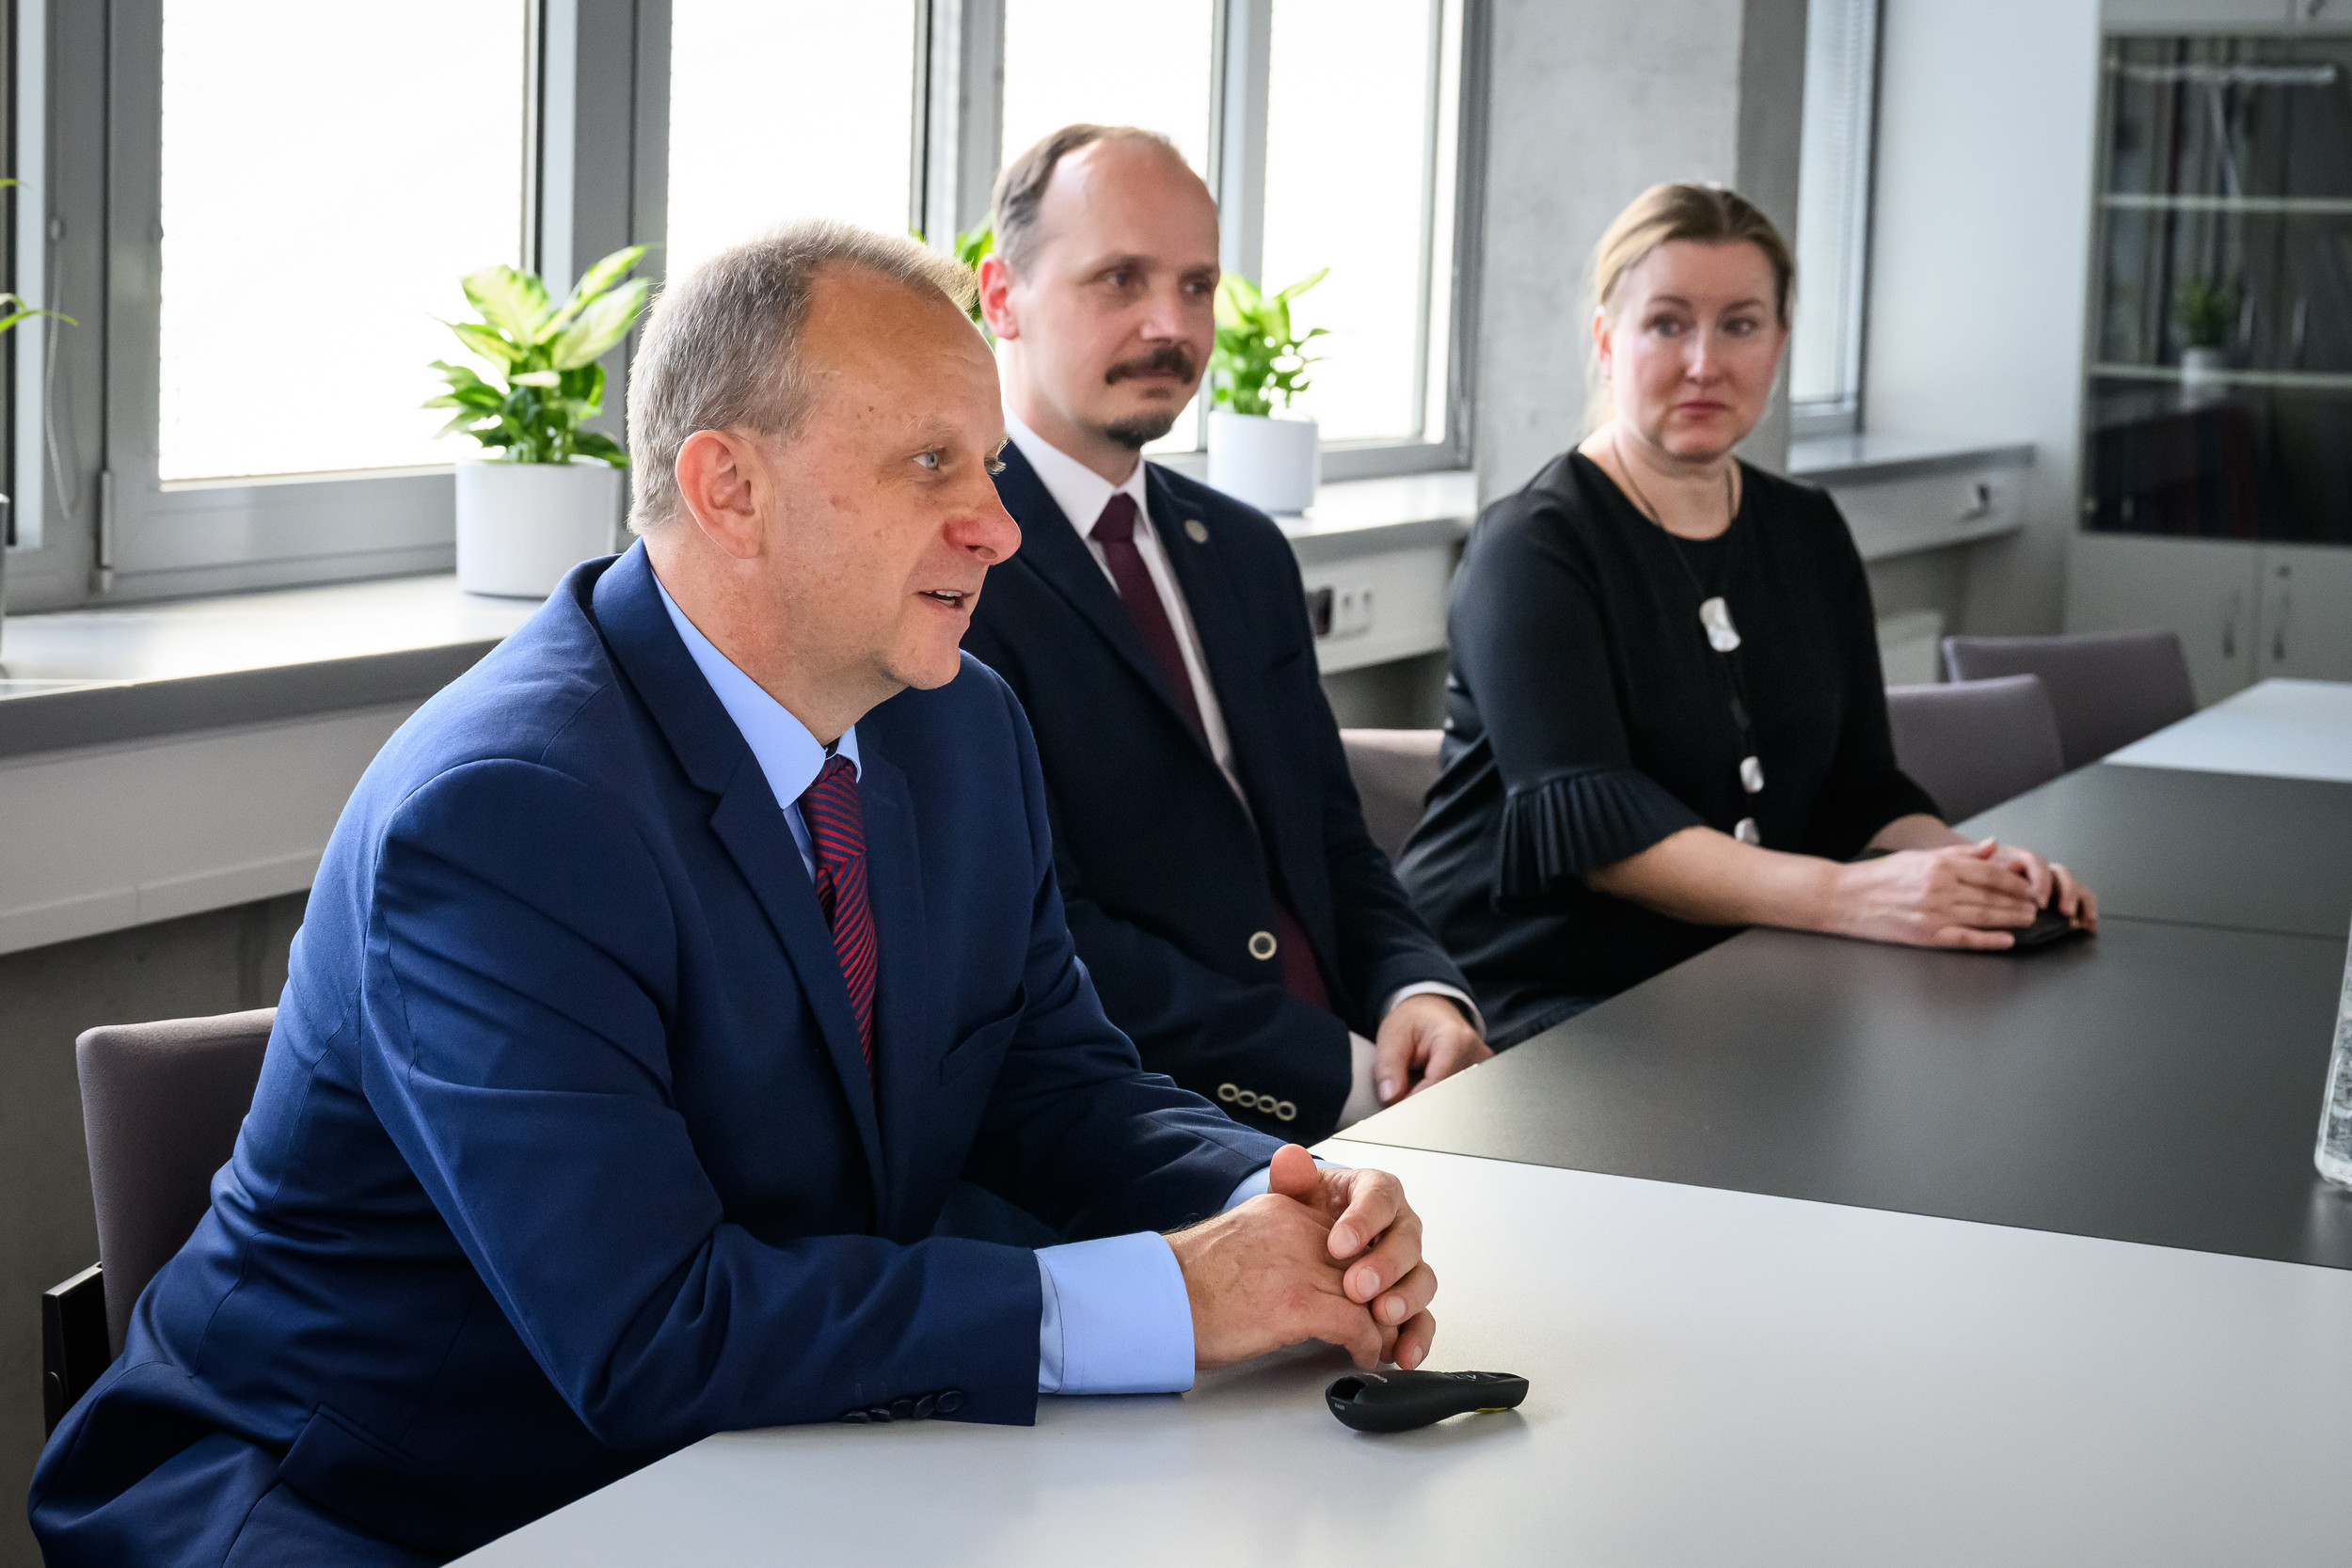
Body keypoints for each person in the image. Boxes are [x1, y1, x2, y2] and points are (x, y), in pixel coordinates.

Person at [30, 223, 1440, 1567]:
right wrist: (1175, 1294)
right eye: (932, 464)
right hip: (380, 1499)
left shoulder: (960, 724)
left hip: (749, 1459)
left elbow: (1053, 1079)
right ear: (728, 490)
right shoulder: (502, 812)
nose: (999, 529)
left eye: (993, 465)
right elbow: (654, 1327)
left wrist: (1280, 1202)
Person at [1397, 183, 2097, 1047]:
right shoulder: (1532, 546)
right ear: (1607, 340)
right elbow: (1601, 839)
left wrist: (1971, 868)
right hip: (1525, 992)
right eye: (1667, 324)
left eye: (1740, 325)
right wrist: (1855, 895)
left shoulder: (1808, 529)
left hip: (1732, 971)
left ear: (1780, 343)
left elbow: (1860, 789)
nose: (1705, 363)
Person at [963, 125, 1489, 1143]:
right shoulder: (958, 571)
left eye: (1197, 285)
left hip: (1374, 1081)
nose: (1171, 324)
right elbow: (1047, 934)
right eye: (1120, 279)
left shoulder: (1243, 549)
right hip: (1158, 1124)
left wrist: (1419, 991)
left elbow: (1333, 839)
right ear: (1001, 297)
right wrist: (1339, 1077)